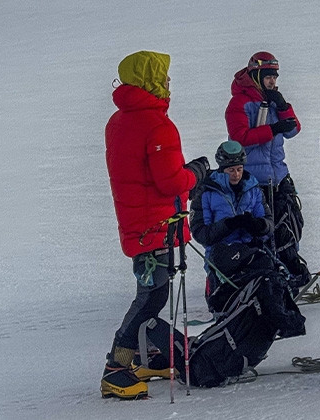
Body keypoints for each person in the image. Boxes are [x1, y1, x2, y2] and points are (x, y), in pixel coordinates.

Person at [102, 50, 209, 400]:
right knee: (151, 297)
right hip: (155, 227)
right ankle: (116, 367)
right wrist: (196, 173)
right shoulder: (156, 124)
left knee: (152, 294)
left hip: (140, 223)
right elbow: (170, 182)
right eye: (164, 79)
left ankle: (148, 356)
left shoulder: (119, 121)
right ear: (151, 81)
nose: (168, 85)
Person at [189, 140, 305, 339]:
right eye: (231, 170)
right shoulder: (206, 193)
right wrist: (228, 225)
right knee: (261, 273)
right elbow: (201, 233)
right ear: (222, 169)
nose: (236, 174)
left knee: (269, 274)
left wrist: (257, 225)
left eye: (239, 169)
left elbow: (267, 223)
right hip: (221, 253)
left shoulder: (253, 188)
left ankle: (281, 320)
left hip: (251, 249)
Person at [225, 52, 307, 276]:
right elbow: (239, 138)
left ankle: (289, 265)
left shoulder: (272, 101)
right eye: (269, 77)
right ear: (257, 76)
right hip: (253, 179)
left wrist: (282, 107)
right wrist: (272, 130)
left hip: (278, 175)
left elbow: (293, 130)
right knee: (262, 230)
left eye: (275, 77)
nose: (273, 82)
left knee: (289, 223)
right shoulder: (239, 103)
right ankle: (267, 271)